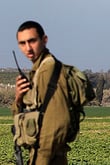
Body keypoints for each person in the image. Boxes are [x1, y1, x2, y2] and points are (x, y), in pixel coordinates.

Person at [11, 20, 71, 165]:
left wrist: (41, 159)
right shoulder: (38, 71)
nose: (28, 48)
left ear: (44, 40)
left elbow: (59, 122)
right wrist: (19, 98)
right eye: (22, 43)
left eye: (32, 41)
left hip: (48, 157)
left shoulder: (47, 70)